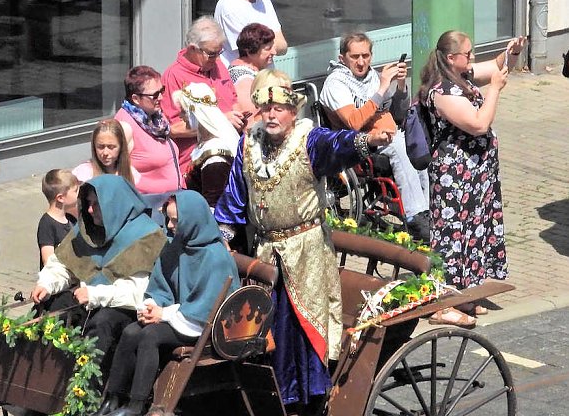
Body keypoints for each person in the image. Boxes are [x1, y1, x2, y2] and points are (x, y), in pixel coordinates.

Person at [214, 69, 392, 411]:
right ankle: (277, 397)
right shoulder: (248, 145)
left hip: (306, 251)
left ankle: (309, 399)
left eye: (279, 108)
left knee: (304, 326)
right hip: (266, 253)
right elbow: (234, 198)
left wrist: (366, 142)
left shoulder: (308, 141)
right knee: (269, 328)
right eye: (265, 108)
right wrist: (223, 235)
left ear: (293, 111)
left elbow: (336, 145)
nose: (271, 115)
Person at [94, 191, 239, 416]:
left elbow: (206, 307)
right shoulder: (176, 245)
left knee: (150, 336)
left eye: (175, 221)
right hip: (178, 315)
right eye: (168, 219)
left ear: (192, 220)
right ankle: (113, 398)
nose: (170, 226)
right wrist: (151, 305)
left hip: (202, 324)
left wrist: (164, 314)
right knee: (132, 331)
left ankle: (136, 404)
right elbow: (160, 285)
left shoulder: (215, 256)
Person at [418, 31, 525, 327]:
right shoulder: (442, 91)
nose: (472, 58)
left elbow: (497, 66)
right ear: (452, 58)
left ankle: (462, 295)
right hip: (455, 175)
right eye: (468, 53)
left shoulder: (462, 75)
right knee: (452, 237)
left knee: (473, 232)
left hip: (475, 173)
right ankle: (441, 304)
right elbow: (478, 124)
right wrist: (494, 91)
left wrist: (512, 52)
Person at [30, 175, 166, 382]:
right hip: (90, 299)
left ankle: (89, 388)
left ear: (115, 205)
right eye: (89, 204)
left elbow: (138, 292)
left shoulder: (146, 236)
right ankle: (45, 377)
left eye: (97, 205)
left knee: (102, 322)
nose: (90, 210)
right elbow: (63, 264)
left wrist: (95, 294)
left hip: (126, 309)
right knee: (54, 305)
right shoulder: (88, 229)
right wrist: (47, 284)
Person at [320, 32, 430, 241]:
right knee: (399, 145)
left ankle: (427, 211)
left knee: (418, 145)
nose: (361, 62)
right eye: (355, 57)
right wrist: (381, 88)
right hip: (357, 142)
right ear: (342, 58)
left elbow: (399, 113)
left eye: (365, 55)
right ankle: (415, 215)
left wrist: (399, 85)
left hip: (387, 134)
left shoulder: (372, 77)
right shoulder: (336, 83)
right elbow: (354, 122)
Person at [161, 16, 244, 175]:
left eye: (220, 52)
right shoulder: (174, 76)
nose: (217, 58)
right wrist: (221, 121)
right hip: (199, 161)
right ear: (192, 49)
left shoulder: (217, 65)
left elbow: (234, 102)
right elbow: (173, 128)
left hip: (233, 151)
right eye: (212, 54)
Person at [115, 66, 181, 218]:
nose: (161, 98)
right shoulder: (124, 125)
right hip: (148, 208)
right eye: (155, 94)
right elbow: (117, 172)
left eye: (162, 91)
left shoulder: (155, 118)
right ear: (135, 99)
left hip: (169, 203)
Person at [175, 82, 240, 210]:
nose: (180, 116)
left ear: (194, 113)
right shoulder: (204, 144)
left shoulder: (215, 155)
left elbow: (214, 205)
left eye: (183, 111)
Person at [227, 22, 277, 125]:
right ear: (250, 51)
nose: (274, 52)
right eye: (268, 49)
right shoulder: (244, 80)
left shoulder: (252, 72)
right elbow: (250, 122)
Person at [73, 119, 140, 186]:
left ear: (121, 146)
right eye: (100, 147)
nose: (105, 153)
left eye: (111, 147)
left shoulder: (131, 173)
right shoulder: (83, 174)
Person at [37, 168, 79, 269]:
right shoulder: (47, 224)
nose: (79, 194)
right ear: (60, 198)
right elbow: (48, 261)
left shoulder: (71, 218)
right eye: (76, 191)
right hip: (58, 280)